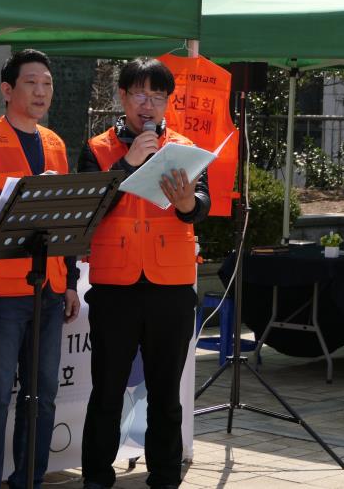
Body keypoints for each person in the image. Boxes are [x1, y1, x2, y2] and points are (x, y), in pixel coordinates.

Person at [77, 57, 211, 489]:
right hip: (115, 288)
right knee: (107, 390)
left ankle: (166, 476)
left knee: (166, 392)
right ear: (122, 97)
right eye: (139, 94)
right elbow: (87, 211)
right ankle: (97, 476)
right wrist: (127, 164)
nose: (147, 105)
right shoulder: (97, 149)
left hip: (170, 287)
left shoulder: (184, 147)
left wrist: (189, 203)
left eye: (157, 96)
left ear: (168, 102)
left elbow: (200, 206)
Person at [0, 49, 81, 489]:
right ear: (7, 89)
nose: (41, 91)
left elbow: (68, 216)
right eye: (31, 82)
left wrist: (71, 281)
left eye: (47, 83)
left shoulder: (55, 143)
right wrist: (28, 194)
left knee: (43, 396)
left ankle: (28, 479)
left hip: (49, 290)